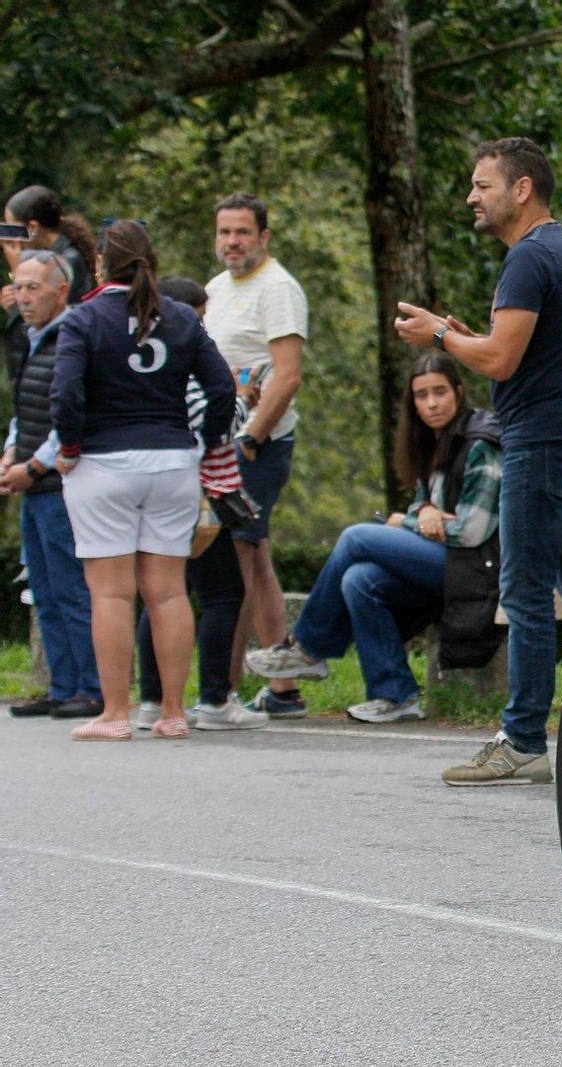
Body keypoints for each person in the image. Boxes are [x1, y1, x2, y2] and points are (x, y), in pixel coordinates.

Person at [394, 137, 562, 785]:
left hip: (541, 444)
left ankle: (523, 737)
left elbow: (500, 360)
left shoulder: (529, 258)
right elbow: (507, 348)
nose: (471, 196)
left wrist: (439, 334)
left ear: (521, 189)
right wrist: (460, 333)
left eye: (482, 184)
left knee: (524, 591)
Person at [50, 220, 235, 740]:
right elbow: (222, 388)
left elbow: (65, 396)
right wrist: (206, 442)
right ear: (151, 261)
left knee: (111, 595)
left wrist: (68, 448)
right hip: (173, 462)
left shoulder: (83, 318)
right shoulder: (179, 316)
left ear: (102, 265)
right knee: (168, 592)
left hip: (104, 465)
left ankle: (114, 715)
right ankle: (174, 713)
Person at [246, 354, 503, 723]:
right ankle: (396, 695)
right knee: (359, 579)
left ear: (459, 393)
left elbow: (472, 530)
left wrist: (410, 521)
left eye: (440, 392)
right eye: (422, 395)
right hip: (445, 562)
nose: (431, 403)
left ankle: (307, 648)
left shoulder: (480, 443)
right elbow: (420, 511)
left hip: (478, 570)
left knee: (356, 538)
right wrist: (424, 514)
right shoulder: (433, 444)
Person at [129, 276, 265, 732]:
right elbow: (214, 426)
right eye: (202, 319)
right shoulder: (188, 366)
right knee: (223, 595)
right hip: (199, 496)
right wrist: (245, 401)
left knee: (158, 593)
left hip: (148, 490)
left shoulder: (140, 363)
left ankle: (151, 698)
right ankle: (214, 699)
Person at [204, 193, 310, 719]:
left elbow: (287, 375)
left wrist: (248, 439)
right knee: (257, 556)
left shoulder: (278, 288)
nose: (232, 242)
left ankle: (218, 691)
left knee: (236, 561)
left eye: (242, 232)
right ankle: (284, 687)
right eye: (224, 232)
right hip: (226, 442)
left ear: (263, 237)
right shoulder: (216, 289)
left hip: (258, 445)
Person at [2, 249, 102, 720]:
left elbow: (71, 413)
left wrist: (33, 468)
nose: (23, 297)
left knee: (70, 587)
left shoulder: (72, 335)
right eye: (18, 287)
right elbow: (26, 410)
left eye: (33, 287)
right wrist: (10, 453)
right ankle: (62, 688)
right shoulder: (30, 338)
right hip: (33, 485)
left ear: (60, 291)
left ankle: (91, 686)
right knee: (43, 589)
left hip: (59, 484)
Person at [3, 186, 97, 379]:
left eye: (14, 228)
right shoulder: (54, 257)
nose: (11, 236)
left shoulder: (66, 263)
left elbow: (35, 321)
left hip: (53, 371)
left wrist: (17, 270)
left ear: (33, 228)